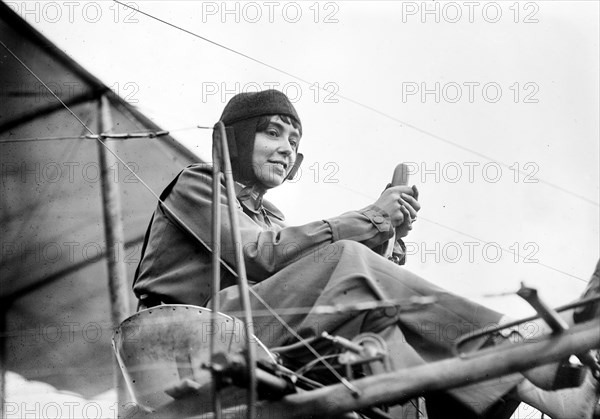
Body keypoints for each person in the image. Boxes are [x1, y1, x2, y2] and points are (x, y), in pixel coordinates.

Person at [132, 90, 599, 418]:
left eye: (293, 143)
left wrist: (383, 237)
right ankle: (509, 341)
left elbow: (310, 272)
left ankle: (534, 390)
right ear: (233, 138)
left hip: (260, 333)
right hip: (189, 333)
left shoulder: (271, 215)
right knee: (349, 260)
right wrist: (371, 218)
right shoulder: (200, 183)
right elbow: (258, 257)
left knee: (379, 319)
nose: (285, 150)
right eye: (272, 134)